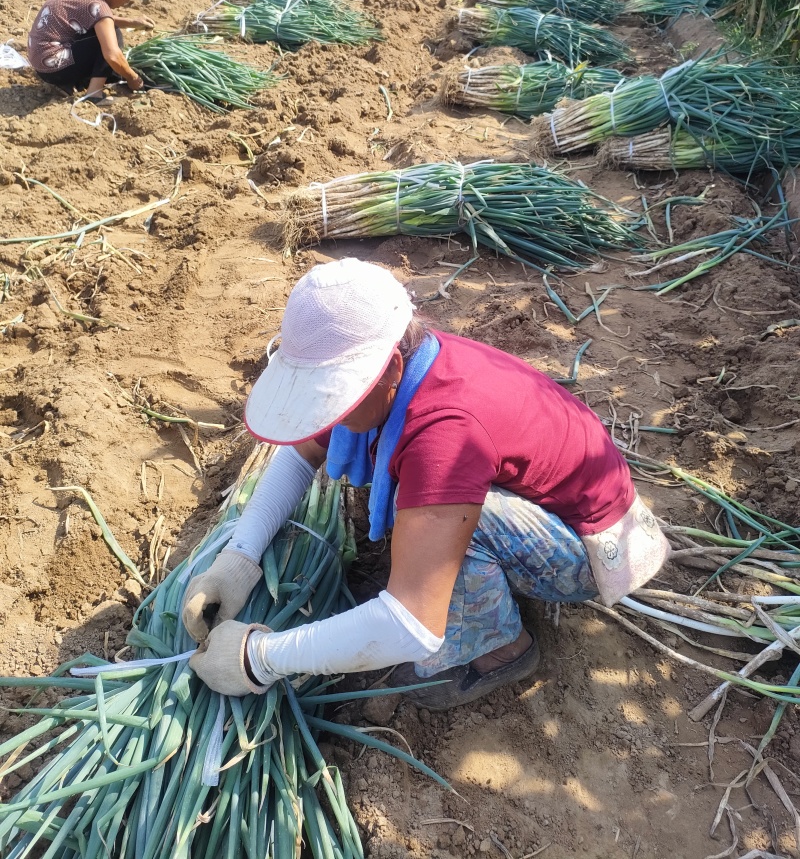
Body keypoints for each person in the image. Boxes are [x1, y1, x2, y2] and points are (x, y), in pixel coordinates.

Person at [184, 259, 670, 709]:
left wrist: (259, 658)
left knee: (435, 516)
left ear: (391, 368)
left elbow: (411, 624)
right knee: (423, 507)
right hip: (546, 509)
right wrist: (239, 560)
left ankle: (501, 652)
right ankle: (482, 587)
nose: (327, 412)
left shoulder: (445, 434)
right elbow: (302, 452)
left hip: (594, 551)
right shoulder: (406, 367)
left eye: (336, 394)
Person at [28, 0, 153, 100]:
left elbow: (99, 19)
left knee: (107, 35)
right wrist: (134, 79)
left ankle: (80, 81)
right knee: (113, 35)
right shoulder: (99, 6)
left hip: (41, 61)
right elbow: (112, 55)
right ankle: (94, 94)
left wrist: (132, 22)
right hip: (54, 69)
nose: (128, 0)